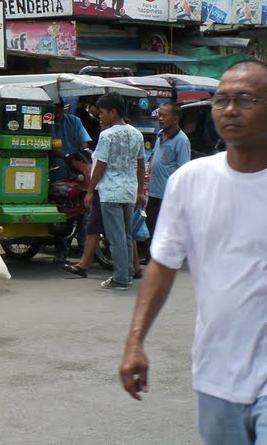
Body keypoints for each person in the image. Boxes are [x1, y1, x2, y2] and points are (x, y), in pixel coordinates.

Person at [119, 61, 267, 444]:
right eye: (222, 100)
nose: (230, 109)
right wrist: (135, 340)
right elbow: (163, 264)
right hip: (218, 374)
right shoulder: (192, 181)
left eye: (245, 100)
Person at [85, 93, 145, 291]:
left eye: (102, 112)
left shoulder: (107, 135)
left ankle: (120, 278)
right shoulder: (137, 134)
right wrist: (139, 190)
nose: (99, 116)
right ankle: (126, 273)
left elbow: (100, 165)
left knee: (116, 237)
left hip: (110, 193)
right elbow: (140, 165)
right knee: (126, 235)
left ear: (113, 112)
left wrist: (90, 190)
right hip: (128, 192)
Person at [145, 102, 190, 241]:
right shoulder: (160, 134)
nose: (160, 118)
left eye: (164, 116)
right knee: (151, 230)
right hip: (153, 193)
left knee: (164, 236)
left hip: (168, 196)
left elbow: (184, 171)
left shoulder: (181, 140)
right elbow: (154, 156)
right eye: (159, 115)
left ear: (175, 119)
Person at [51, 101, 93, 182]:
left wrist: (85, 151)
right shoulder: (47, 123)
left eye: (60, 112)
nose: (57, 115)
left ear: (64, 110)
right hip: (56, 158)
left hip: (75, 157)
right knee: (59, 165)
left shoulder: (74, 120)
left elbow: (84, 140)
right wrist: (65, 156)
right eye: (54, 113)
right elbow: (50, 147)